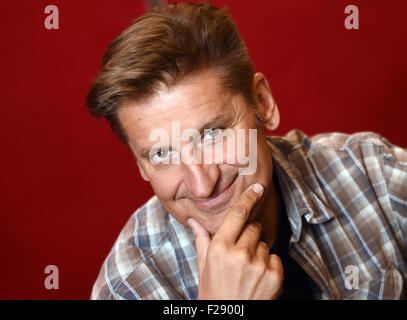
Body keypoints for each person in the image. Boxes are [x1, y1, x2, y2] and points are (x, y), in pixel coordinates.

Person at [86, 2, 407, 300]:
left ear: (262, 104)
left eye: (212, 133)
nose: (202, 185)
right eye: (161, 155)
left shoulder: (371, 173)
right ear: (139, 165)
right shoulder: (128, 287)